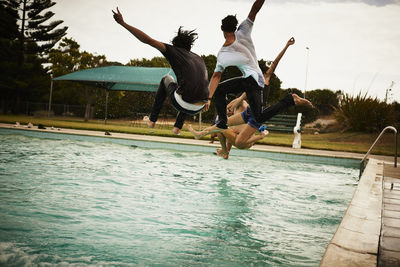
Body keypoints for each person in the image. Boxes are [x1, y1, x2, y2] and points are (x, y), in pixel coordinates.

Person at [203, 0, 312, 136]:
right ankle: (289, 100)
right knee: (259, 117)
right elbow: (254, 9)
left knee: (219, 90)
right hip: (257, 81)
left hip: (249, 81)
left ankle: (222, 122)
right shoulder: (244, 30)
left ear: (222, 30)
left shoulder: (223, 53)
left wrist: (208, 99)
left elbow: (216, 77)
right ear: (234, 27)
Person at [112, 7, 209, 135]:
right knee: (188, 87)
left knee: (166, 79)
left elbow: (148, 40)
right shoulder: (199, 58)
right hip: (201, 106)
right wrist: (208, 99)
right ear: (189, 46)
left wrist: (123, 23)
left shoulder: (173, 50)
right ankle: (177, 128)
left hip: (184, 103)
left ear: (175, 45)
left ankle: (152, 120)